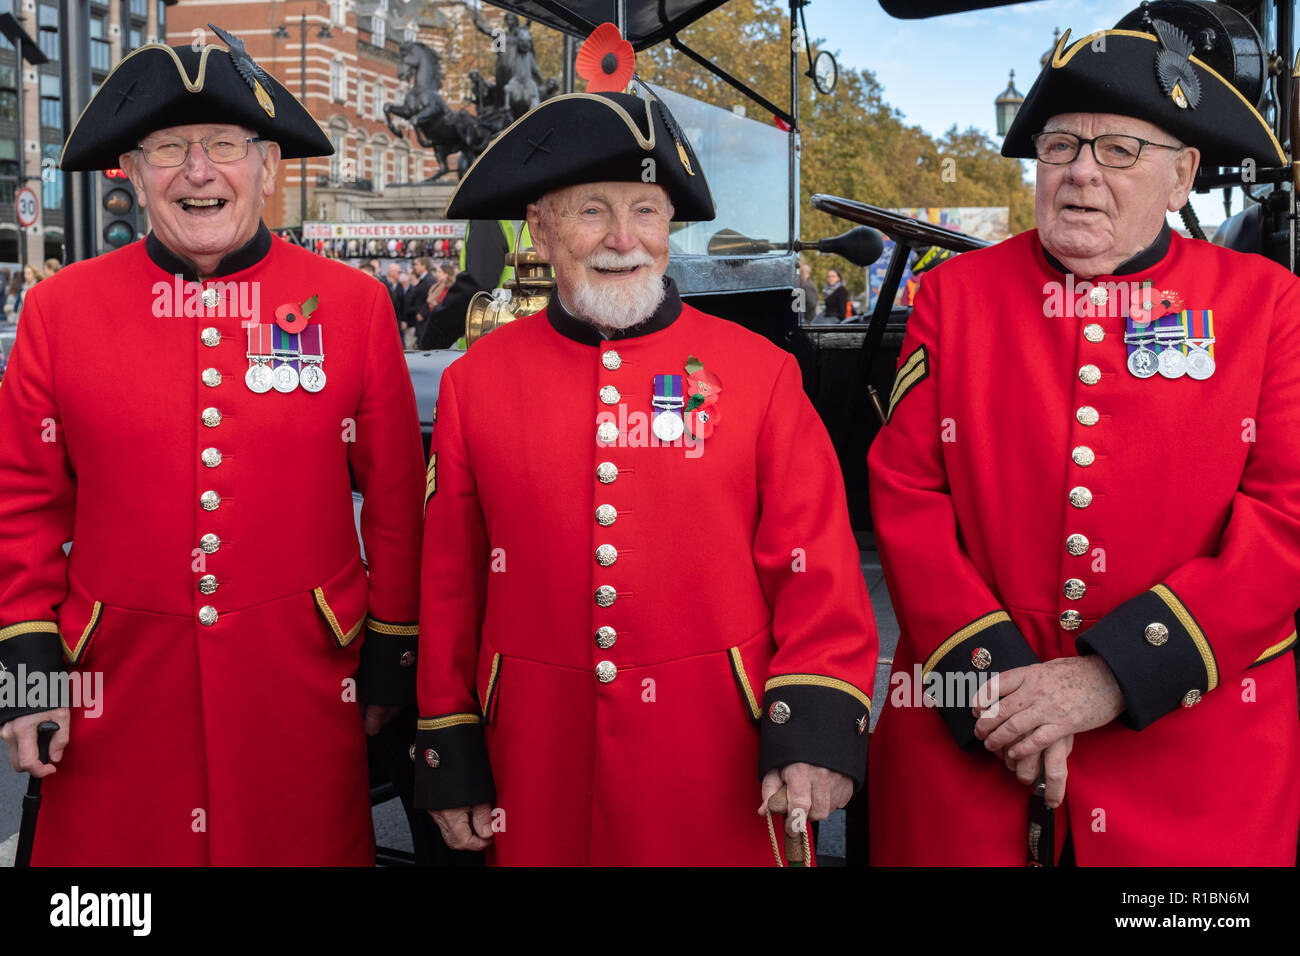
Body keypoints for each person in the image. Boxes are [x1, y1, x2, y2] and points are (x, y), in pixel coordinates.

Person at [868, 19, 1300, 865]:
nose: (1078, 172)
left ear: (1182, 177)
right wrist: (1000, 692)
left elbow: (1288, 518)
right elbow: (908, 498)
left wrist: (1113, 675)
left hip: (1191, 759)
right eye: (1059, 146)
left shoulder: (1267, 305)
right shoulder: (954, 298)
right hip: (971, 741)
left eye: (1118, 150)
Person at [412, 87, 878, 865]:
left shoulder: (760, 374)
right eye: (592, 210)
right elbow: (452, 580)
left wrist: (816, 725)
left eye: (648, 211)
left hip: (717, 751)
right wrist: (449, 742)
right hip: (533, 752)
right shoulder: (476, 381)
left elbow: (818, 568)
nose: (624, 238)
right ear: (540, 226)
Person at [0, 26, 426, 865]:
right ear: (132, 171)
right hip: (113, 697)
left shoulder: (353, 306)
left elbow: (397, 504)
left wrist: (390, 656)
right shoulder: (61, 312)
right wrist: (29, 679)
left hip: (301, 687)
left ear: (267, 167)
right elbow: (23, 503)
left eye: (226, 146)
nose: (199, 171)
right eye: (168, 149)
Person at [404, 256, 434, 345]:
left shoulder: (429, 280)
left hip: (425, 320)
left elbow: (431, 297)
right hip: (421, 321)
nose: (415, 267)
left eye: (417, 264)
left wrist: (422, 313)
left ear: (424, 266)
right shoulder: (423, 280)